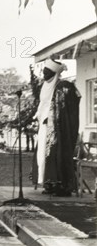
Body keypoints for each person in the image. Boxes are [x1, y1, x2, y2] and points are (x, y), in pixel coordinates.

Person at [32, 58, 81, 196]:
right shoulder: (45, 86)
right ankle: (49, 184)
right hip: (44, 126)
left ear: (54, 73)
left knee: (56, 155)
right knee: (43, 155)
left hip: (59, 129)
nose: (44, 75)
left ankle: (62, 186)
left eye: (47, 73)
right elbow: (43, 105)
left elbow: (68, 106)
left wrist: (54, 118)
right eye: (44, 72)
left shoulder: (63, 86)